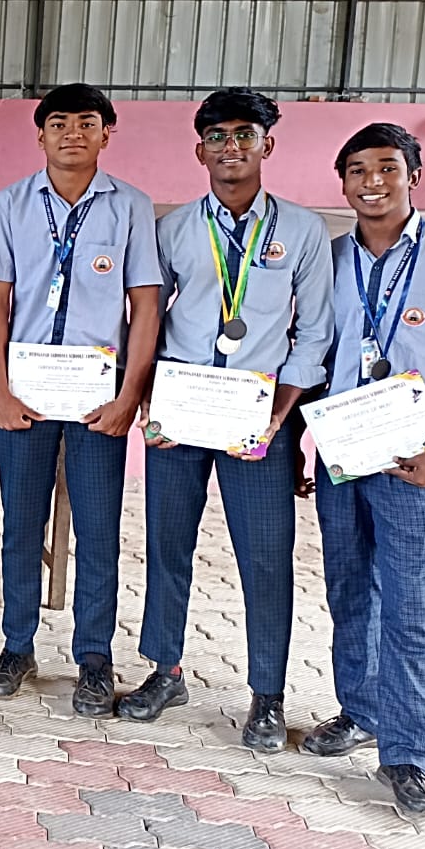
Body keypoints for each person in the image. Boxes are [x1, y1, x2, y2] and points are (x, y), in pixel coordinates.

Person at [118, 89, 334, 749]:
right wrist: (146, 397)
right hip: (181, 411)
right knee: (167, 545)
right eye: (217, 135)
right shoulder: (175, 229)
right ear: (199, 150)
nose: (230, 146)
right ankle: (165, 670)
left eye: (245, 134)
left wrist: (279, 415)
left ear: (268, 144)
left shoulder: (303, 231)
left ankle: (267, 695)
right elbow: (146, 319)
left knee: (265, 557)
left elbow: (315, 332)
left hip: (257, 420)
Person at [302, 124, 425, 818]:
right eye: (357, 170)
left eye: (387, 167)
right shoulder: (329, 257)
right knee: (349, 587)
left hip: (416, 455)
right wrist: (300, 443)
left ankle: (410, 754)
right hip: (342, 451)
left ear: (413, 174)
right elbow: (315, 353)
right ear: (343, 182)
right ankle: (360, 711)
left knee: (409, 605)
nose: (372, 181)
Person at [0, 83, 161, 715]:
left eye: (86, 122)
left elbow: (145, 306)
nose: (72, 133)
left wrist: (130, 394)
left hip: (96, 400)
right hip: (24, 396)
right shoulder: (11, 204)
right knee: (20, 526)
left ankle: (95, 658)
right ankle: (16, 645)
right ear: (40, 135)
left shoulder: (130, 207)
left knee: (99, 530)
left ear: (107, 133)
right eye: (58, 123)